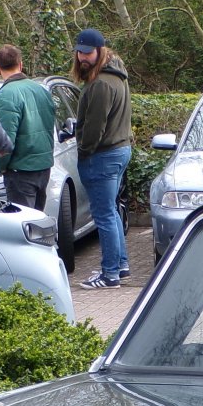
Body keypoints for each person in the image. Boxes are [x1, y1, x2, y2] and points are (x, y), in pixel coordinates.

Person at [72, 28, 132, 289]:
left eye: (88, 53)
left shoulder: (100, 85)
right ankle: (120, 264)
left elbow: (94, 129)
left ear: (100, 51)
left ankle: (110, 274)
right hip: (119, 150)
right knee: (111, 211)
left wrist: (84, 151)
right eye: (80, 52)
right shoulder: (117, 76)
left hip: (103, 155)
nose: (83, 58)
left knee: (104, 214)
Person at [0, 44, 55, 213]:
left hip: (21, 170)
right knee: (37, 222)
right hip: (43, 167)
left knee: (24, 227)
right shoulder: (41, 91)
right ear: (20, 63)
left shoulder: (6, 95)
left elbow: (5, 138)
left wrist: (0, 165)